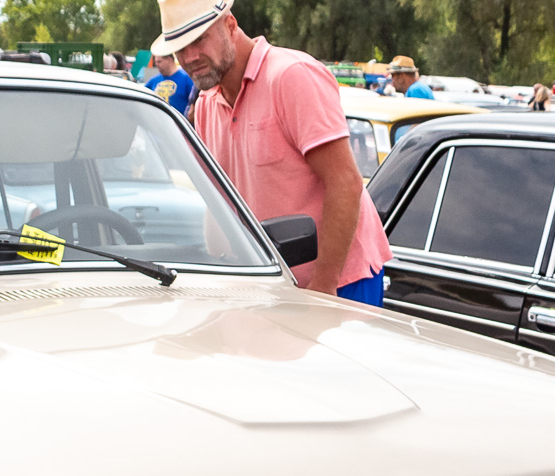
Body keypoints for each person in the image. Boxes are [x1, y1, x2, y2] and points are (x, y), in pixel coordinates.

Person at [162, 0, 390, 305]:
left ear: (230, 26)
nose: (190, 57)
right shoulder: (206, 104)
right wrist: (218, 271)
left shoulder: (292, 75)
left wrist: (324, 286)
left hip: (340, 280)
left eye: (199, 39)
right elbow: (220, 204)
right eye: (180, 47)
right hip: (272, 286)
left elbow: (345, 181)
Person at [143, 48, 195, 115]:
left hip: (177, 122)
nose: (156, 64)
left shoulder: (186, 78)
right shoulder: (153, 80)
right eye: (155, 62)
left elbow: (194, 104)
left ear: (169, 59)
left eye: (159, 61)